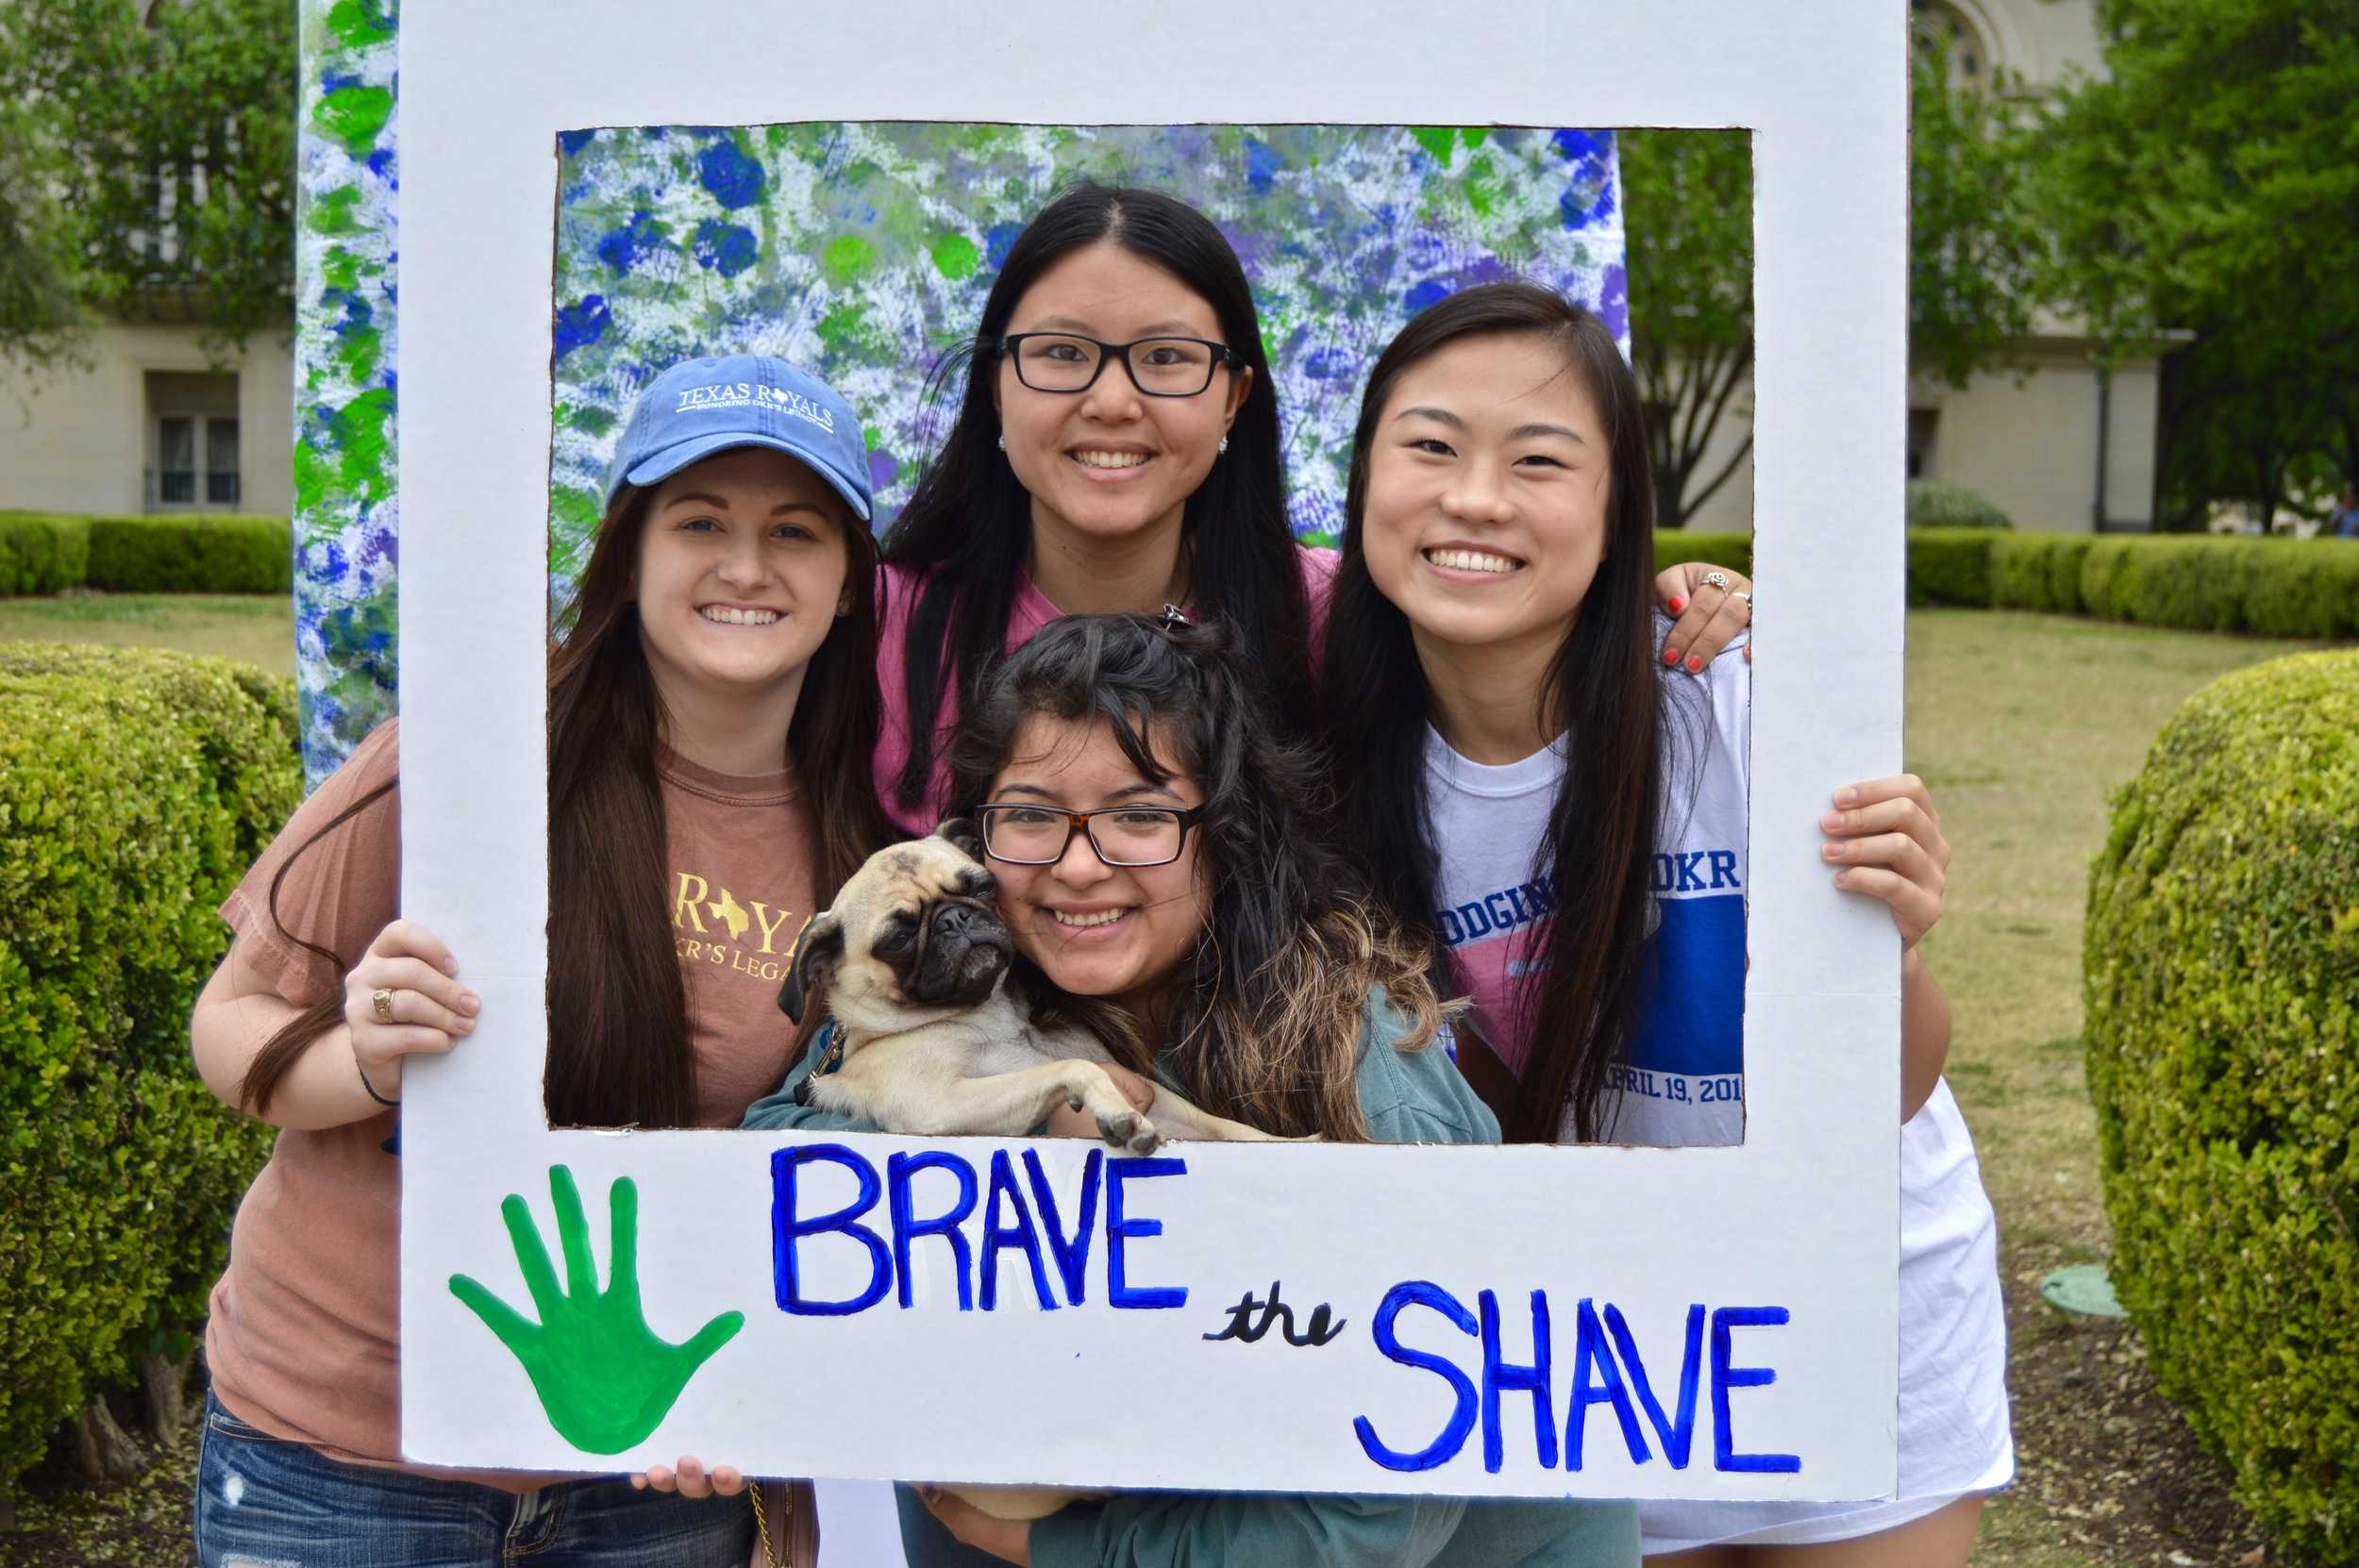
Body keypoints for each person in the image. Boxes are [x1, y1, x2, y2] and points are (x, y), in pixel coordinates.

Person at [1319, 284, 2012, 1564]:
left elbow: (1894, 1089)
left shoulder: (1744, 696)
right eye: (1429, 447)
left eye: (1539, 461)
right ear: (1361, 479)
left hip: (1851, 1315)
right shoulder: (1320, 772)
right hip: (1582, 1345)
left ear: (1618, 511)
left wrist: (1895, 945)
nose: (1474, 498)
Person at [736, 612, 1644, 1568]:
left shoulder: (1366, 1073)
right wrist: (1015, 1118)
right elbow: (774, 1166)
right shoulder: (966, 991)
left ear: (1224, 831)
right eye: (1034, 816)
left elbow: (1392, 1497)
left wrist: (1056, 1548)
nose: (1078, 865)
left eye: (1139, 816)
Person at [184, 353, 894, 1567]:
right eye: (698, 522)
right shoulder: (462, 762)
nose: (744, 566)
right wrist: (365, 1061)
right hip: (349, 1459)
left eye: (796, 531)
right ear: (627, 557)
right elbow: (233, 1024)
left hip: (653, 1472)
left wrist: (756, 1392)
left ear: (846, 587)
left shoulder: (877, 846)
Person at [870, 181, 1755, 832]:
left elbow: (1534, 646)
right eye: (1062, 352)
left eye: (1168, 357)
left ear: (1234, 397)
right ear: (996, 385)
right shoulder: (878, 626)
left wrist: (1692, 599)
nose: (1111, 401)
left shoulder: (1339, 612)